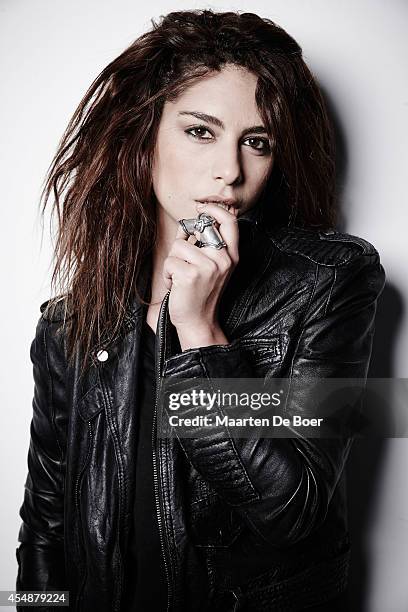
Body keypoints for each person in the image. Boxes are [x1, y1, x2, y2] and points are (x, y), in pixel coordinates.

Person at [16, 8, 386, 612]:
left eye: (257, 143)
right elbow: (45, 530)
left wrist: (201, 335)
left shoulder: (329, 282)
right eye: (200, 131)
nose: (231, 171)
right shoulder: (68, 326)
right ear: (144, 137)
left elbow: (293, 510)